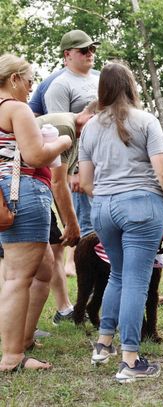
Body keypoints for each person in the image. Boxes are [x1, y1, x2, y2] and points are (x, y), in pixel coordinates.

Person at [78, 61, 163, 382]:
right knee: (137, 280)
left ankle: (103, 344)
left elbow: (84, 182)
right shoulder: (146, 121)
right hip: (142, 206)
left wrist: (110, 196)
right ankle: (130, 360)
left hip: (103, 208)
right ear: (131, 87)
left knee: (118, 276)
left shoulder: (91, 127)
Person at [0, 53, 71, 371]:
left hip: (7, 195)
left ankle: (24, 339)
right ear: (13, 79)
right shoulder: (16, 109)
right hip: (23, 194)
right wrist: (64, 140)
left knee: (43, 271)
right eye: (29, 81)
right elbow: (36, 155)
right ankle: (12, 356)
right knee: (17, 277)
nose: (31, 89)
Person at [41, 29, 100, 323]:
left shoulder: (100, 79)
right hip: (59, 173)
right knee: (73, 238)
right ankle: (73, 303)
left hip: (94, 167)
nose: (90, 53)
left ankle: (97, 293)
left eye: (92, 49)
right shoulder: (58, 87)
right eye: (83, 50)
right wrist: (76, 172)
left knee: (91, 233)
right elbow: (58, 159)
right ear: (67, 54)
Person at [35, 102, 97, 325]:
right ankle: (22, 329)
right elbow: (58, 182)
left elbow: (64, 184)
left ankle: (63, 309)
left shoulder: (78, 137)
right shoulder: (64, 128)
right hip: (21, 189)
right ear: (88, 115)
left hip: (36, 188)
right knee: (32, 264)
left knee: (55, 246)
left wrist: (68, 225)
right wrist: (72, 224)